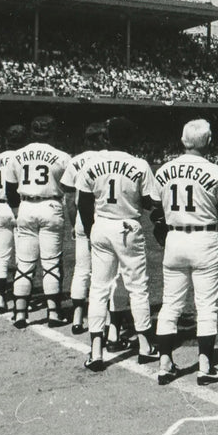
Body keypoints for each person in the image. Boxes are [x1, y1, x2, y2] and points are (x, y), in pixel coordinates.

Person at [151, 119, 218, 386]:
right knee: (206, 305)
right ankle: (205, 366)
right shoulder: (214, 170)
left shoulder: (164, 169)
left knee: (170, 304)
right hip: (204, 238)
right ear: (208, 141)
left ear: (182, 140)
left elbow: (155, 208)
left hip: (175, 238)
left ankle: (165, 364)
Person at [76, 118, 161, 372]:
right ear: (131, 139)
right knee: (137, 287)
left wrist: (91, 228)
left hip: (101, 225)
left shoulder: (91, 163)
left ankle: (96, 351)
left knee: (99, 287)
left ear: (107, 138)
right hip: (127, 226)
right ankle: (145, 347)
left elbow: (83, 202)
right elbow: (150, 202)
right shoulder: (139, 164)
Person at [3, 115, 71, 328]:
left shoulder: (16, 156)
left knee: (24, 262)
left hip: (25, 205)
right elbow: (69, 188)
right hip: (51, 204)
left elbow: (10, 191)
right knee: (50, 263)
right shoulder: (61, 156)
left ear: (32, 132)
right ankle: (53, 313)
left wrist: (18, 213)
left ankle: (20, 313)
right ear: (51, 133)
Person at [61, 122, 108, 334]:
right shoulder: (109, 158)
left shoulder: (75, 161)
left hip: (82, 216)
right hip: (105, 217)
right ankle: (106, 320)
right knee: (107, 272)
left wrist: (75, 224)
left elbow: (70, 199)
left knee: (82, 269)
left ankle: (78, 317)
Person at [0, 124, 27, 314]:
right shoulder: (23, 158)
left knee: (1, 256)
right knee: (22, 257)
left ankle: (0, 299)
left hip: (0, 206)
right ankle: (20, 300)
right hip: (19, 206)